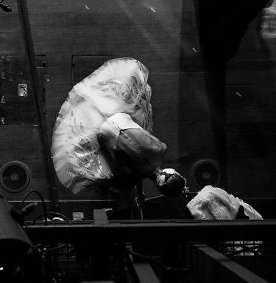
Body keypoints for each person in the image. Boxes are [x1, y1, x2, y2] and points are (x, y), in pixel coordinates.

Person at [51, 58, 185, 216]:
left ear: (172, 172)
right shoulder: (132, 176)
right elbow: (141, 167)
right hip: (108, 128)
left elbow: (143, 162)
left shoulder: (159, 149)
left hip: (113, 119)